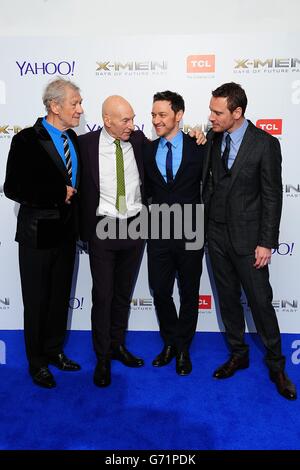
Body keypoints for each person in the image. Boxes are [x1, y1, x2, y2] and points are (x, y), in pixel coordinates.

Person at [202, 82, 296, 400]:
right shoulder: (213, 138)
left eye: (217, 112)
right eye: (211, 110)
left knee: (259, 304)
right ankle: (238, 355)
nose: (211, 116)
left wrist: (266, 242)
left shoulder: (265, 144)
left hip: (249, 241)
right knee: (227, 300)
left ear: (237, 112)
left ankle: (277, 366)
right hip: (215, 235)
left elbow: (272, 196)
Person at [4, 78, 83, 389]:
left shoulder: (73, 139)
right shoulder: (25, 140)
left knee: (59, 298)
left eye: (79, 103)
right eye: (75, 103)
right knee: (37, 301)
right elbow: (13, 188)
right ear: (55, 106)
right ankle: (36, 363)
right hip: (37, 235)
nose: (80, 109)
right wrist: (55, 192)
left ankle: (54, 351)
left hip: (66, 235)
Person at [78, 96, 147, 388]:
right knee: (102, 296)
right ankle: (103, 356)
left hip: (134, 228)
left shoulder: (140, 141)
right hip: (102, 229)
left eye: (132, 118)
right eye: (125, 120)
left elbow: (171, 144)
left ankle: (118, 345)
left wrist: (196, 135)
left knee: (122, 294)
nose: (132, 125)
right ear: (107, 120)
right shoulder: (84, 145)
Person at [144, 91, 205, 376]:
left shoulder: (199, 146)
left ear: (178, 115)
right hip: (158, 231)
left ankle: (182, 348)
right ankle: (170, 341)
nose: (156, 120)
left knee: (189, 292)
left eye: (162, 115)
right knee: (160, 290)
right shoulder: (146, 149)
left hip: (191, 230)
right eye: (154, 115)